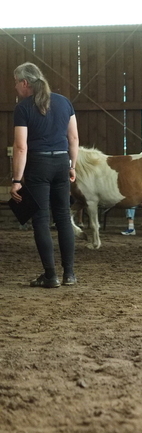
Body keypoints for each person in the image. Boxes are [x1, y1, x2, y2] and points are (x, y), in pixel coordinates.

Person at [10, 62, 79, 288]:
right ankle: (69, 274)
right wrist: (72, 165)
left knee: (40, 219)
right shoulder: (64, 102)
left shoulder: (23, 108)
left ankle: (50, 276)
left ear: (25, 83)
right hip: (61, 162)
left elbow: (21, 147)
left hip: (39, 164)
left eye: (16, 83)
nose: (15, 87)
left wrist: (16, 180)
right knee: (62, 217)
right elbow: (74, 139)